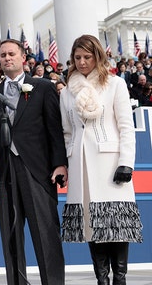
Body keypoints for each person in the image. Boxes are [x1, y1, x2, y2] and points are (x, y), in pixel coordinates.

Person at [0, 39, 67, 285]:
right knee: (11, 240)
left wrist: (60, 163)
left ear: (23, 57)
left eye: (12, 54)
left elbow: (54, 129)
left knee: (46, 237)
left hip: (37, 172)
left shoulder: (42, 87)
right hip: (6, 174)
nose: (7, 58)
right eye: (3, 55)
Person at [60, 35, 143, 285]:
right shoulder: (66, 91)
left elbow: (126, 126)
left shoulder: (115, 84)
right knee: (91, 225)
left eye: (87, 57)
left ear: (97, 56)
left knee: (116, 224)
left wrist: (126, 162)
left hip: (111, 163)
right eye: (78, 58)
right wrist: (69, 160)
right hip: (81, 166)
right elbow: (67, 131)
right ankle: (102, 280)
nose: (82, 62)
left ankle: (120, 279)